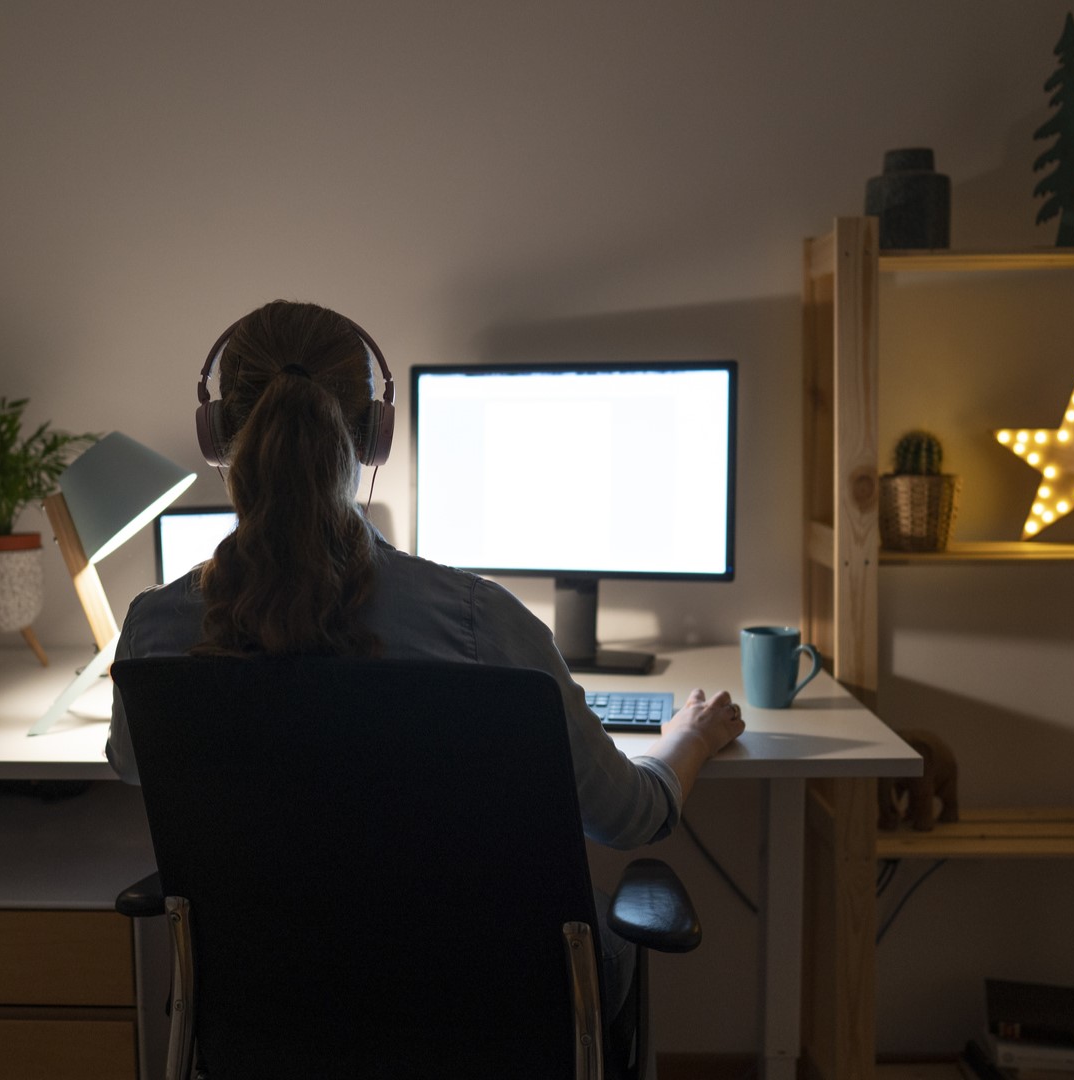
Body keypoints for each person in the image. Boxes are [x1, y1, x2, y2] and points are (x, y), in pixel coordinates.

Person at [106, 298, 744, 1017]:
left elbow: (132, 764)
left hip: (265, 1020)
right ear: (375, 435)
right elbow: (630, 819)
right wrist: (688, 739)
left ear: (218, 434)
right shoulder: (482, 627)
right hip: (480, 1020)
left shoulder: (156, 629)